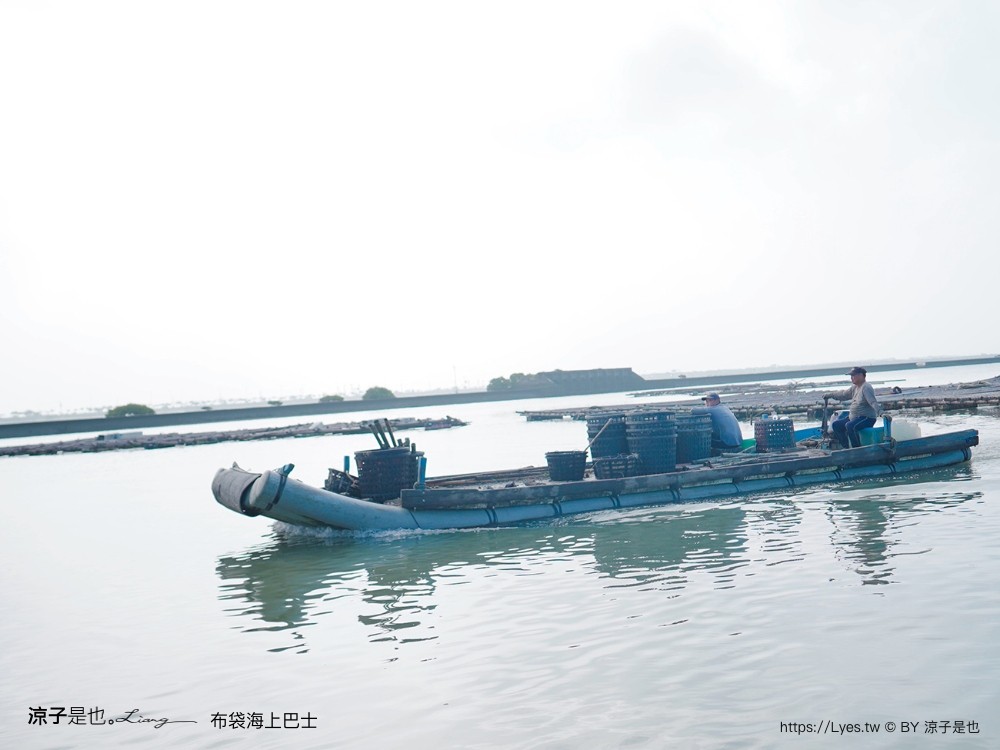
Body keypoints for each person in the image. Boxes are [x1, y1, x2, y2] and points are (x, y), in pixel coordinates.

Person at [824, 367, 881, 449]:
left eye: (853, 375)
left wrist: (880, 412)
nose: (851, 378)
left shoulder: (866, 387)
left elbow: (873, 402)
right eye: (851, 376)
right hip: (854, 418)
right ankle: (846, 448)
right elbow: (843, 394)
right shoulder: (855, 387)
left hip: (867, 418)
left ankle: (857, 449)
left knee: (850, 426)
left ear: (861, 375)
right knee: (836, 425)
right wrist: (831, 395)